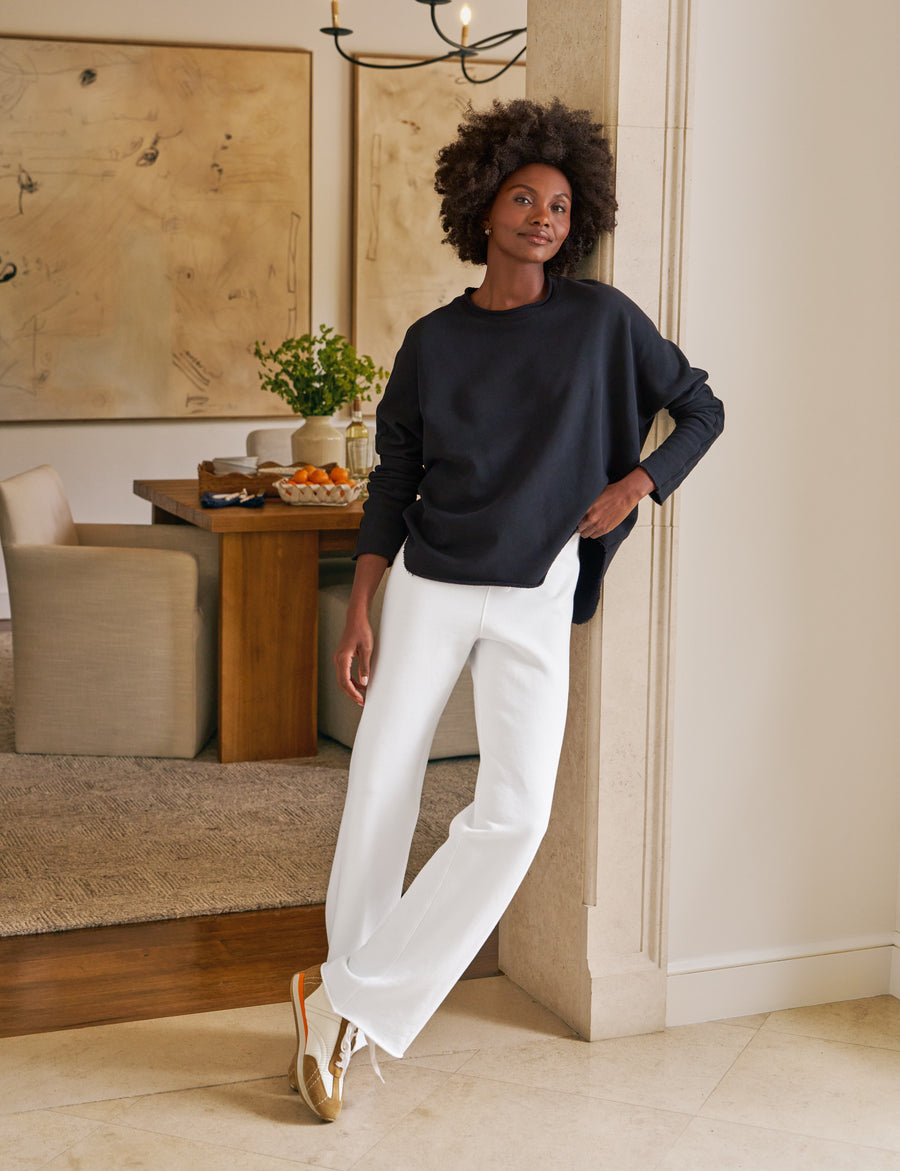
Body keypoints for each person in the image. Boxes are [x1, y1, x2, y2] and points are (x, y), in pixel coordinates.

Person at [289, 98, 724, 1122]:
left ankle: (342, 997)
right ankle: (340, 1017)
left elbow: (702, 404)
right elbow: (395, 476)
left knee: (515, 812)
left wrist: (637, 486)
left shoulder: (603, 321)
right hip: (433, 584)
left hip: (538, 589)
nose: (543, 216)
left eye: (562, 205)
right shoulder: (433, 341)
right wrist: (364, 602)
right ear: (482, 205)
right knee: (381, 787)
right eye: (525, 197)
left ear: (579, 220)